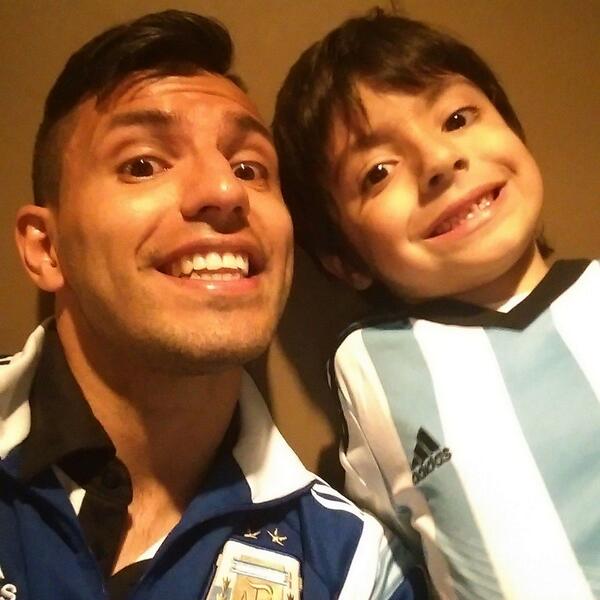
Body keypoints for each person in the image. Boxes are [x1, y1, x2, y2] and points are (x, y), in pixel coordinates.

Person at [0, 10, 423, 600]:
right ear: (47, 249)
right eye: (143, 164)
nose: (227, 191)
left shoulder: (356, 567)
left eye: (249, 168)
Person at [273, 9, 600, 600]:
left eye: (456, 119)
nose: (439, 162)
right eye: (378, 172)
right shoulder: (370, 367)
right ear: (342, 259)